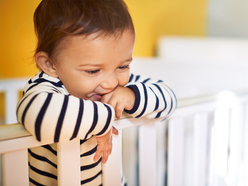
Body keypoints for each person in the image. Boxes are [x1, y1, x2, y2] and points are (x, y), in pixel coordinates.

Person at [16, 0, 177, 185]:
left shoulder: (121, 85)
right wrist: (104, 118)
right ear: (50, 64)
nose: (111, 83)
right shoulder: (46, 87)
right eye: (93, 71)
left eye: (123, 66)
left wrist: (132, 97)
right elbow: (39, 116)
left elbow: (169, 99)